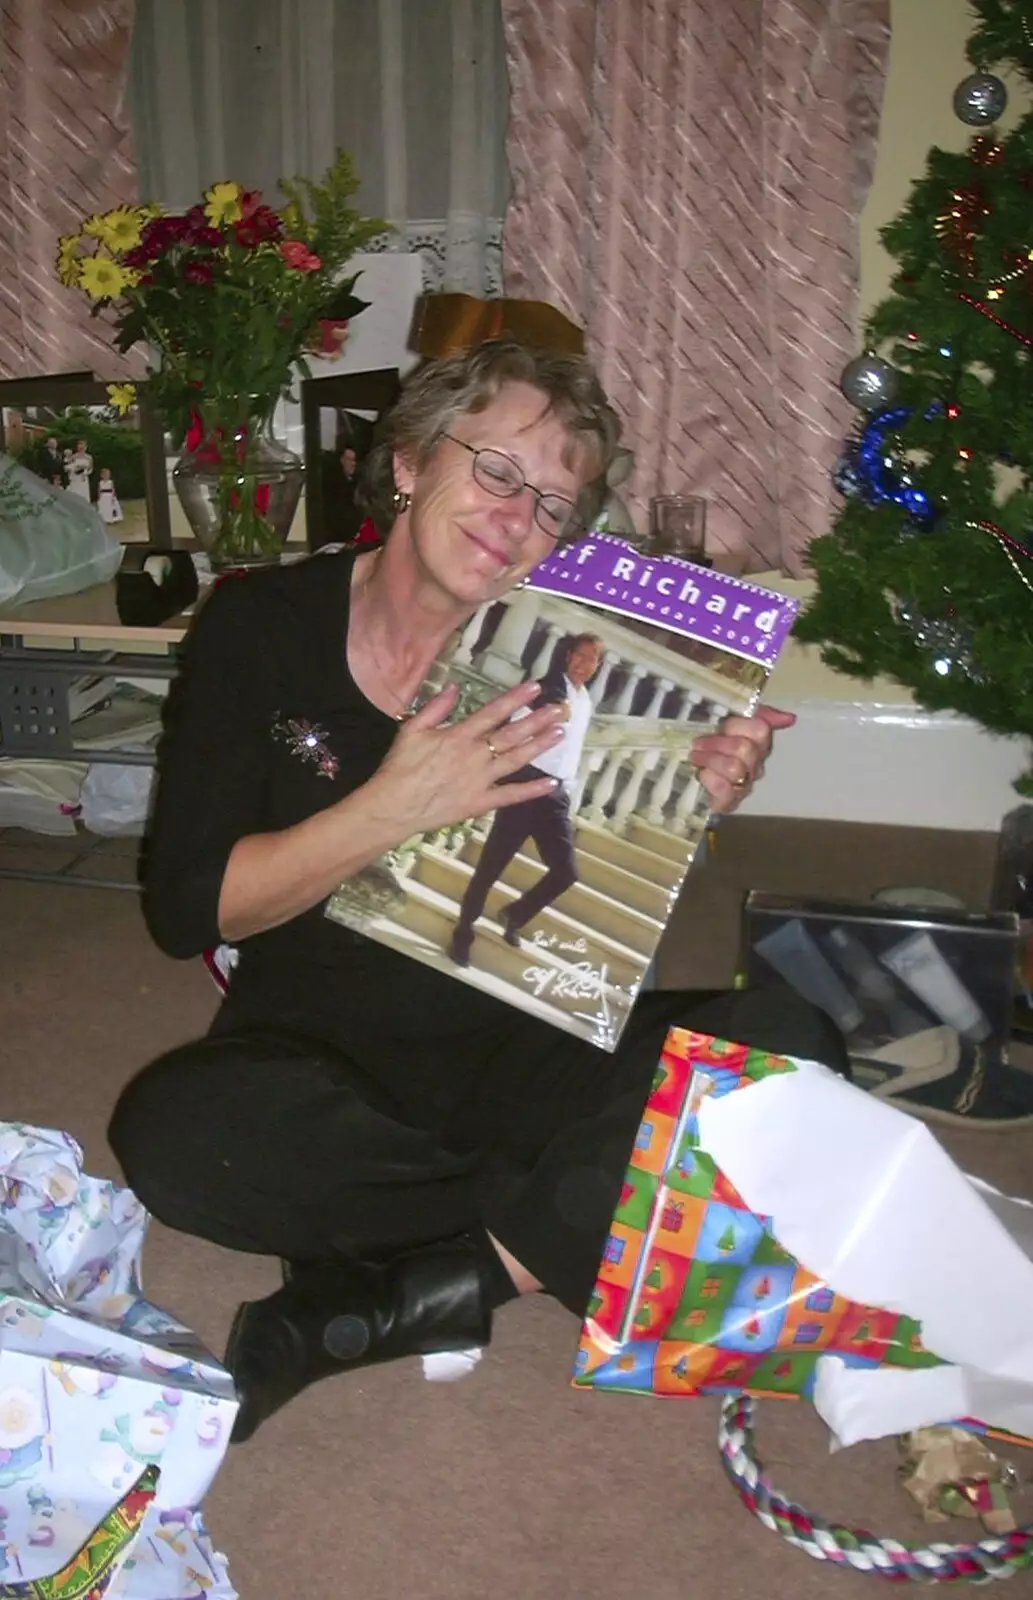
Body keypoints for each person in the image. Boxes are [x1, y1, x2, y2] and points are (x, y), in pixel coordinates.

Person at [108, 336, 848, 1449]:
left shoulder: (573, 648)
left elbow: (588, 888)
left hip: (527, 1032)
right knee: (174, 1133)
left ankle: (433, 1278)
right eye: (497, 470)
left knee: (800, 1046)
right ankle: (582, 1216)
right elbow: (189, 912)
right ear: (407, 458)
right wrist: (399, 800)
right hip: (323, 1048)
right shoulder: (260, 625)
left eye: (553, 504)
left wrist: (688, 789)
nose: (517, 517)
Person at [450, 630, 604, 966]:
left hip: (555, 795)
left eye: (592, 659)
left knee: (566, 873)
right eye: (579, 655)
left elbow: (571, 747)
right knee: (492, 865)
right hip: (525, 784)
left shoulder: (585, 700)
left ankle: (515, 916)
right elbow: (536, 709)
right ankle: (463, 931)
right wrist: (551, 707)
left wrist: (569, 788)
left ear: (597, 666)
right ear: (567, 656)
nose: (584, 664)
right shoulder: (550, 685)